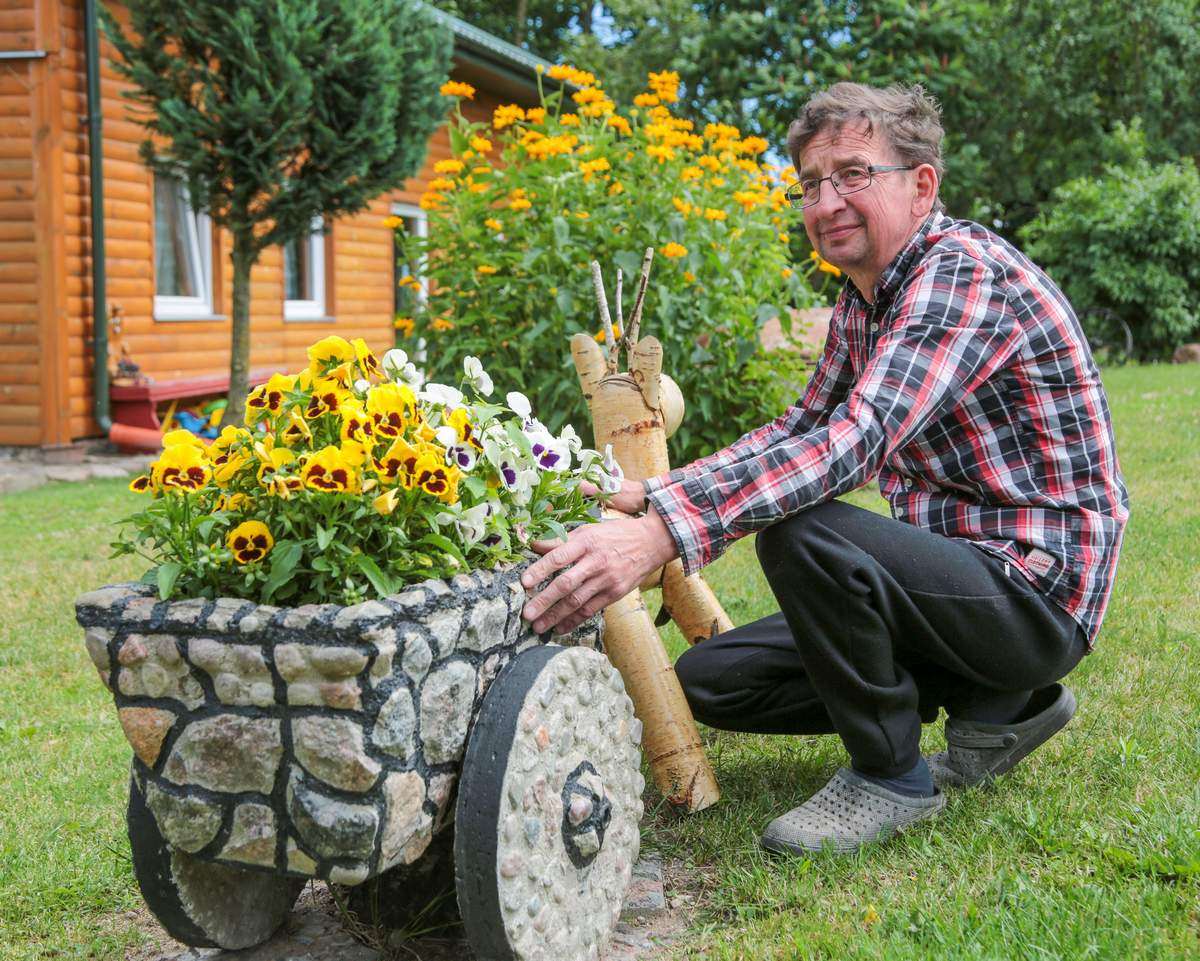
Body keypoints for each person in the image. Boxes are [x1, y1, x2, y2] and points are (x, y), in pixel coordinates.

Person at [519, 82, 1129, 855]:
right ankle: (1002, 702)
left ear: (921, 185)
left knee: (802, 534)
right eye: (810, 183)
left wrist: (665, 533)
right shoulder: (865, 297)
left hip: (1032, 594)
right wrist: (655, 494)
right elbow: (803, 425)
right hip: (957, 586)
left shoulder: (962, 276)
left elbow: (854, 441)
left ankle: (892, 775)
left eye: (852, 174)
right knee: (712, 678)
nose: (826, 200)